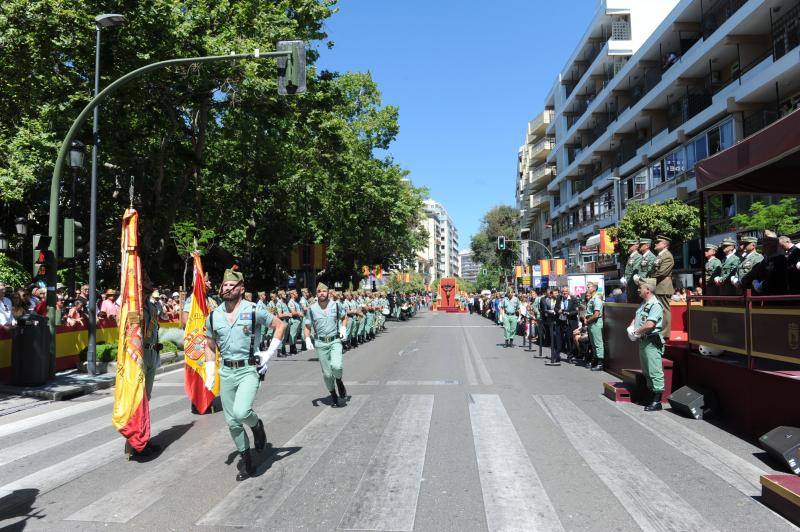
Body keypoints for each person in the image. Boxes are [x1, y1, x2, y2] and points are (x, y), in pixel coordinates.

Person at [203, 268, 285, 481]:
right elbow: (210, 345)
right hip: (227, 371)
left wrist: (268, 354)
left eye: (232, 285)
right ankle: (246, 458)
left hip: (248, 369)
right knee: (232, 422)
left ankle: (257, 426)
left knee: (241, 412)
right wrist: (210, 371)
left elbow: (279, 326)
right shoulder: (214, 316)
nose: (227, 288)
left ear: (241, 288)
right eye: (225, 285)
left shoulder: (253, 310)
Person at [303, 283, 349, 407]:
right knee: (327, 374)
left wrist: (343, 329)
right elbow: (307, 326)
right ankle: (333, 395)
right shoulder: (311, 309)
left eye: (324, 291)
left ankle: (339, 381)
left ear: (328, 292)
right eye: (319, 291)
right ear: (316, 293)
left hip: (335, 341)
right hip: (321, 343)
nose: (322, 293)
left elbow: (344, 317)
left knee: (337, 366)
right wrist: (307, 339)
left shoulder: (336, 305)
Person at [632, 278, 665, 411]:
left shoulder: (655, 304)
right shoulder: (644, 304)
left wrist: (636, 332)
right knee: (646, 370)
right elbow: (638, 319)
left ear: (648, 290)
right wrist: (632, 326)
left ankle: (657, 401)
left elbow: (650, 324)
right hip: (643, 340)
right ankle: (651, 397)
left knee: (654, 370)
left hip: (651, 340)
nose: (638, 289)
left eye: (640, 287)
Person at [652, 235, 675, 339]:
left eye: (658, 242)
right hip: (658, 285)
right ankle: (660, 330)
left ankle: (665, 333)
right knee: (659, 309)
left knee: (665, 309)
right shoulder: (660, 256)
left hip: (663, 285)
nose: (656, 244)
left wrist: (649, 278)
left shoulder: (667, 256)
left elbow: (662, 272)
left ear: (665, 245)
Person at [583, 281, 604, 370]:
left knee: (598, 343)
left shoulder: (597, 299)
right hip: (591, 324)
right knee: (593, 343)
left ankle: (600, 363)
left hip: (595, 323)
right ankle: (595, 361)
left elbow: (596, 314)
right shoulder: (592, 299)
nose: (587, 288)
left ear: (594, 288)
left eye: (589, 287)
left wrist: (588, 321)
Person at [556, 286, 579, 362]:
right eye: (563, 292)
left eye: (566, 292)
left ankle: (570, 356)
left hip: (569, 322)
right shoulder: (559, 298)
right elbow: (555, 308)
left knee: (569, 339)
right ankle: (557, 355)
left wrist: (568, 313)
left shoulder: (573, 299)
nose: (564, 293)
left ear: (568, 292)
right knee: (559, 339)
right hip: (560, 321)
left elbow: (576, 311)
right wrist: (558, 311)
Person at [620, 239, 641, 304]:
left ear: (636, 246)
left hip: (634, 286)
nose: (628, 247)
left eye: (630, 246)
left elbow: (634, 271)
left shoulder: (638, 257)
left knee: (634, 303)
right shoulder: (631, 257)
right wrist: (624, 277)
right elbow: (628, 270)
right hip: (629, 285)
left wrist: (627, 280)